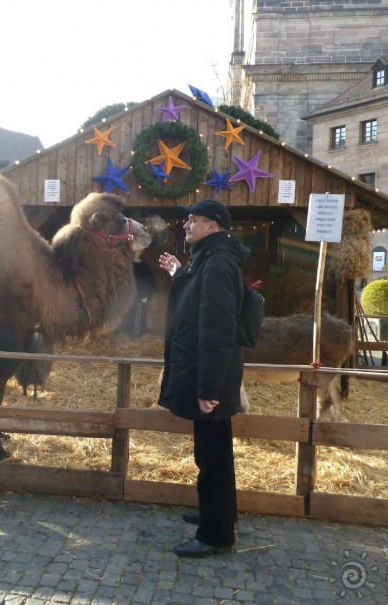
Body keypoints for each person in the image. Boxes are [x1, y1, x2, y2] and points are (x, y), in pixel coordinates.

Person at [158, 199, 247, 558]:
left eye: (193, 220)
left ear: (212, 225)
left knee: (213, 458)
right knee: (212, 452)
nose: (186, 225)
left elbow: (216, 329)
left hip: (210, 379)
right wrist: (180, 273)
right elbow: (199, 301)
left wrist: (208, 388)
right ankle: (218, 514)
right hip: (208, 376)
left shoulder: (219, 263)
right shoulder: (210, 258)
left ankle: (216, 534)